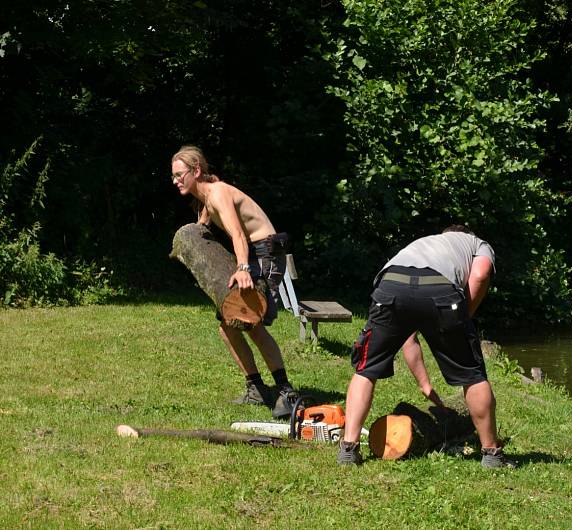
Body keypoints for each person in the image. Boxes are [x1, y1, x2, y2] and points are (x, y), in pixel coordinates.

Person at [338, 225, 516, 468]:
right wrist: (465, 317)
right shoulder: (477, 244)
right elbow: (481, 274)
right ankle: (492, 455)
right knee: (471, 375)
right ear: (468, 234)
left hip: (390, 285)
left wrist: (425, 384)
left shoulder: (425, 243)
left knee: (365, 369)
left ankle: (348, 449)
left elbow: (408, 337)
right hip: (440, 290)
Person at [170, 145, 298, 418]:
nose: (176, 180)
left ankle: (286, 391)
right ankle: (256, 388)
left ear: (196, 171)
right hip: (251, 251)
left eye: (180, 174)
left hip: (264, 251)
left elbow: (238, 234)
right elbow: (203, 225)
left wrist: (242, 268)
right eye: (173, 176)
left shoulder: (217, 193)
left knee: (251, 323)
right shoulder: (205, 195)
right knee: (228, 327)